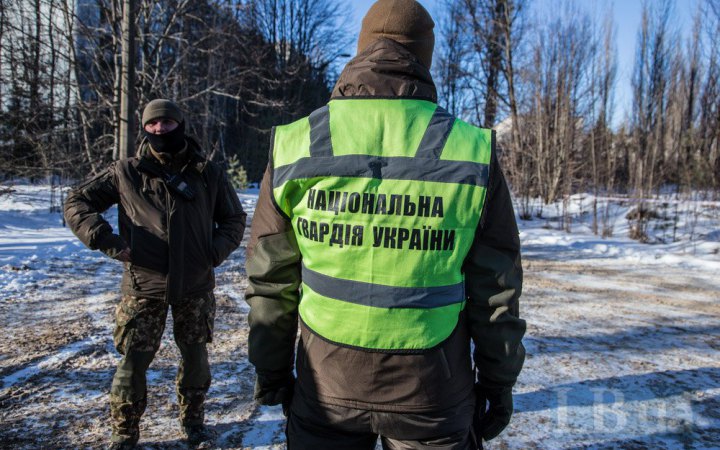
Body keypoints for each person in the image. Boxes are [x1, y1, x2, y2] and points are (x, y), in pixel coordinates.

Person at [244, 0, 526, 448]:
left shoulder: (296, 144)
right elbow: (496, 288)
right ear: (424, 57)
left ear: (362, 50)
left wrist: (271, 367)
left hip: (326, 383)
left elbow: (271, 279)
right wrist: (498, 379)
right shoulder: (471, 151)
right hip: (433, 389)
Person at [64, 99, 246, 449]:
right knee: (133, 364)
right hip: (142, 285)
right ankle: (124, 432)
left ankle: (193, 422)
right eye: (152, 124)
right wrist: (105, 238)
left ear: (181, 124)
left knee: (196, 360)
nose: (160, 129)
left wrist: (214, 251)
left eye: (167, 122)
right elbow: (76, 202)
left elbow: (234, 219)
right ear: (144, 128)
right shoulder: (126, 172)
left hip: (195, 285)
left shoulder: (206, 172)